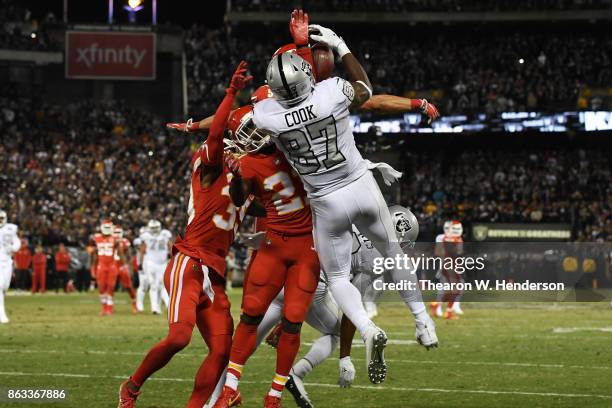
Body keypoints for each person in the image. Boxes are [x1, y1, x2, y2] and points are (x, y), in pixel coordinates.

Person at [252, 24, 436, 384]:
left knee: (337, 278)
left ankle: (366, 329)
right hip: (360, 184)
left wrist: (295, 49)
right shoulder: (332, 91)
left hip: (325, 201)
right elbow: (365, 91)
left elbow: (261, 106)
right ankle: (423, 321)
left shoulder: (266, 116)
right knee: (394, 252)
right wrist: (336, 44)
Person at [118, 61, 260, 408]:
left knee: (223, 350)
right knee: (179, 337)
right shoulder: (209, 165)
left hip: (215, 273)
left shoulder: (250, 180)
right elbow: (213, 136)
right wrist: (231, 93)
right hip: (190, 263)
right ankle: (132, 386)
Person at [137, 219, 172, 314]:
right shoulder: (146, 236)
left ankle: (159, 307)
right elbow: (143, 250)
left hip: (161, 264)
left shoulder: (164, 234)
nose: (155, 230)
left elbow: (170, 248)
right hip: (151, 263)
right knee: (155, 285)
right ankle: (155, 308)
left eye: (156, 228)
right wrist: (140, 263)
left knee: (161, 286)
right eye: (153, 228)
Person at [91, 219, 122, 316]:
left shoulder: (115, 239)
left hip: (111, 265)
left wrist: (123, 264)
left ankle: (109, 308)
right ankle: (103, 307)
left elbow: (120, 252)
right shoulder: (96, 238)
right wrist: (93, 266)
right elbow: (94, 253)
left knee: (110, 286)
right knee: (101, 287)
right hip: (101, 265)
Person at [0, 210, 21, 323]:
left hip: (7, 261)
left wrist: (13, 249)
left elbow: (17, 241)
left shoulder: (10, 228)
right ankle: (2, 315)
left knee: (5, 287)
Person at [114, 225, 137, 313]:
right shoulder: (110, 240)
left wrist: (129, 267)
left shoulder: (125, 241)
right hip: (113, 265)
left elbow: (129, 255)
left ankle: (134, 303)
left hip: (122, 265)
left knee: (128, 286)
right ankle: (109, 306)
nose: (117, 234)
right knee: (111, 286)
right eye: (115, 232)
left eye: (118, 232)